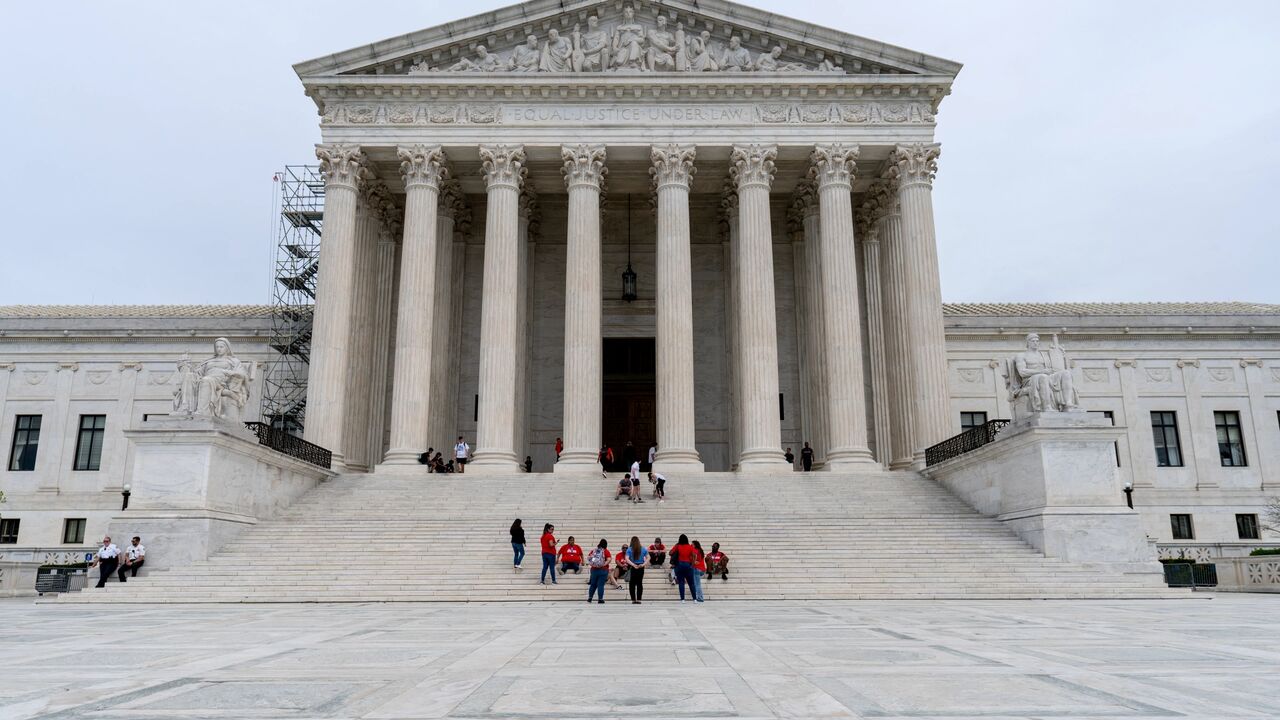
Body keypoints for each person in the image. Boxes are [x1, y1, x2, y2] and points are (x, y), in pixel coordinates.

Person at [670, 534, 697, 601]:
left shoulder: (677, 546)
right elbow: (694, 555)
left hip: (679, 565)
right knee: (691, 583)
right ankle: (695, 599)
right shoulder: (690, 547)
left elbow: (670, 553)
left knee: (681, 583)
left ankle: (682, 600)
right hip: (688, 565)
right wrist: (692, 564)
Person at [624, 536, 649, 604]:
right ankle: (639, 599)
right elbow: (648, 558)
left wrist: (633, 565)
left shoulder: (629, 549)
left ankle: (633, 599)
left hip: (632, 568)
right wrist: (643, 564)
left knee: (631, 584)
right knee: (639, 583)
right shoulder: (643, 549)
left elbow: (627, 558)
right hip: (641, 567)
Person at [586, 539, 611, 603]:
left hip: (594, 570)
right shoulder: (606, 551)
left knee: (593, 584)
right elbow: (609, 559)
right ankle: (600, 599)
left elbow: (589, 558)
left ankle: (590, 598)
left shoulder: (594, 550)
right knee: (600, 585)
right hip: (603, 570)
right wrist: (603, 564)